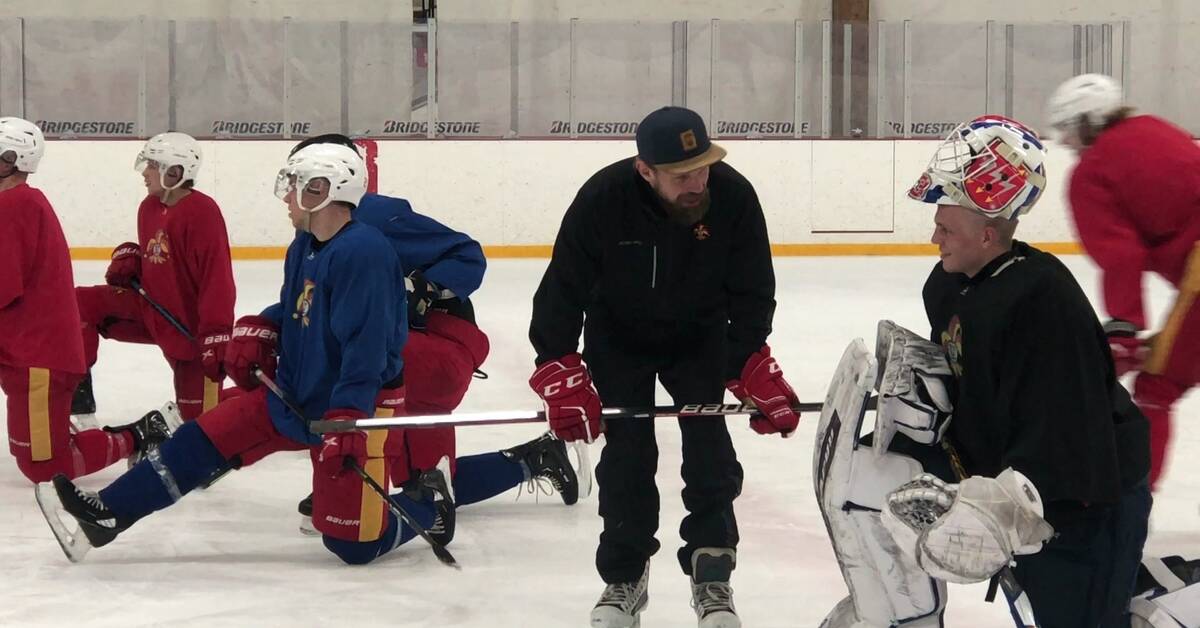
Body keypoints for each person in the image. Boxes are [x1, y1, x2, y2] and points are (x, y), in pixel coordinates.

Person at [38, 143, 434, 567]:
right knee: (200, 437)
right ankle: (110, 513)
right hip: (296, 392)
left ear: (323, 189)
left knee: (352, 547)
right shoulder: (304, 244)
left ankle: (430, 506)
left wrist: (347, 418)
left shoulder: (364, 253)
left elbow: (366, 347)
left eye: (296, 186)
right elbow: (299, 306)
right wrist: (262, 326)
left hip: (354, 408)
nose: (286, 197)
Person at [528, 106, 799, 628]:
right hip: (618, 338)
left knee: (709, 450)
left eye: (703, 168)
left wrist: (745, 360)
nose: (698, 183)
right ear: (644, 170)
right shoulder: (602, 199)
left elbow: (753, 288)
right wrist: (558, 362)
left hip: (701, 338)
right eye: (681, 176)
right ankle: (625, 576)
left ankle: (712, 571)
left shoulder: (734, 196)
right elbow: (562, 287)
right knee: (627, 456)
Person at [883, 115, 1150, 627]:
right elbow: (977, 388)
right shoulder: (948, 287)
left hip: (1086, 504)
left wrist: (1007, 500)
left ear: (988, 234)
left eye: (946, 226)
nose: (933, 236)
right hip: (1026, 497)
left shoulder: (1040, 299)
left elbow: (1067, 425)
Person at [285, 135, 580, 545]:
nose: (291, 190)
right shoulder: (311, 236)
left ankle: (360, 477)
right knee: (422, 479)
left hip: (438, 346)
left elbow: (468, 255)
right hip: (412, 351)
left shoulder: (377, 216)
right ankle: (533, 460)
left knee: (344, 367)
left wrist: (425, 287)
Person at [0, 116, 180, 484]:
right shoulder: (17, 202)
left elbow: (5, 285)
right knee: (29, 452)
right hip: (26, 351)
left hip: (38, 357)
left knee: (46, 467)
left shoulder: (16, 205)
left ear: (12, 159)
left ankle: (142, 435)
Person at [1047, 73, 1200, 490]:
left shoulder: (1091, 173)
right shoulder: (1157, 128)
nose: (1064, 142)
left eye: (1067, 129)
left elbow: (1121, 255)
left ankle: (1131, 504)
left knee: (1158, 385)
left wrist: (1125, 329)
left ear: (1087, 122)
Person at [73, 132, 235, 422]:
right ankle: (79, 409)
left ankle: (255, 405)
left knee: (201, 425)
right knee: (79, 303)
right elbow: (160, 257)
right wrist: (134, 261)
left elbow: (217, 278)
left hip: (190, 331)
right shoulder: (149, 207)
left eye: (152, 165)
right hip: (150, 312)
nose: (145, 172)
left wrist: (216, 333)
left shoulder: (202, 212)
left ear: (174, 172)